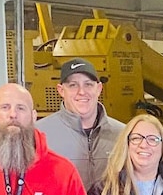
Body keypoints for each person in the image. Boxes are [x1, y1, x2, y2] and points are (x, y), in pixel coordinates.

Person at [38, 58, 125, 188]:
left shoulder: (122, 134)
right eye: (73, 85)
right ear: (61, 90)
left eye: (88, 84)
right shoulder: (40, 134)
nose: (82, 92)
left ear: (99, 88)